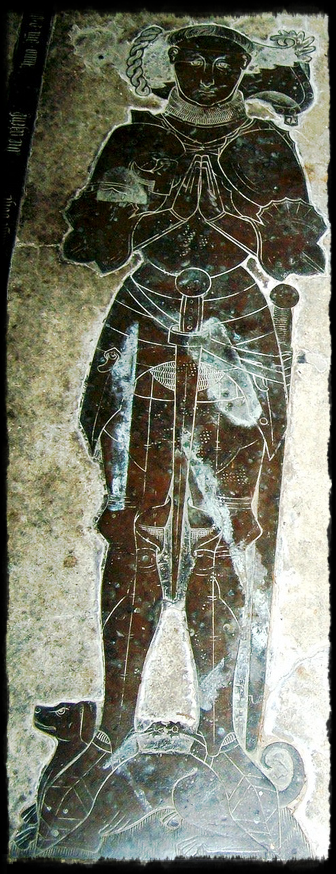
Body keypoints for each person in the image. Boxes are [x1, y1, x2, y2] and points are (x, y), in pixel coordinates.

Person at [63, 24, 326, 756]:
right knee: (132, 515)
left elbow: (296, 253)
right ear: (170, 63)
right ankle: (117, 717)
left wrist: (273, 224)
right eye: (194, 58)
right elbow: (95, 245)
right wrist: (125, 211)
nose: (209, 71)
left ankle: (217, 728)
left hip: (236, 324)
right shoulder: (134, 140)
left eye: (225, 60)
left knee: (226, 519)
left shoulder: (267, 145)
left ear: (243, 68)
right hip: (147, 317)